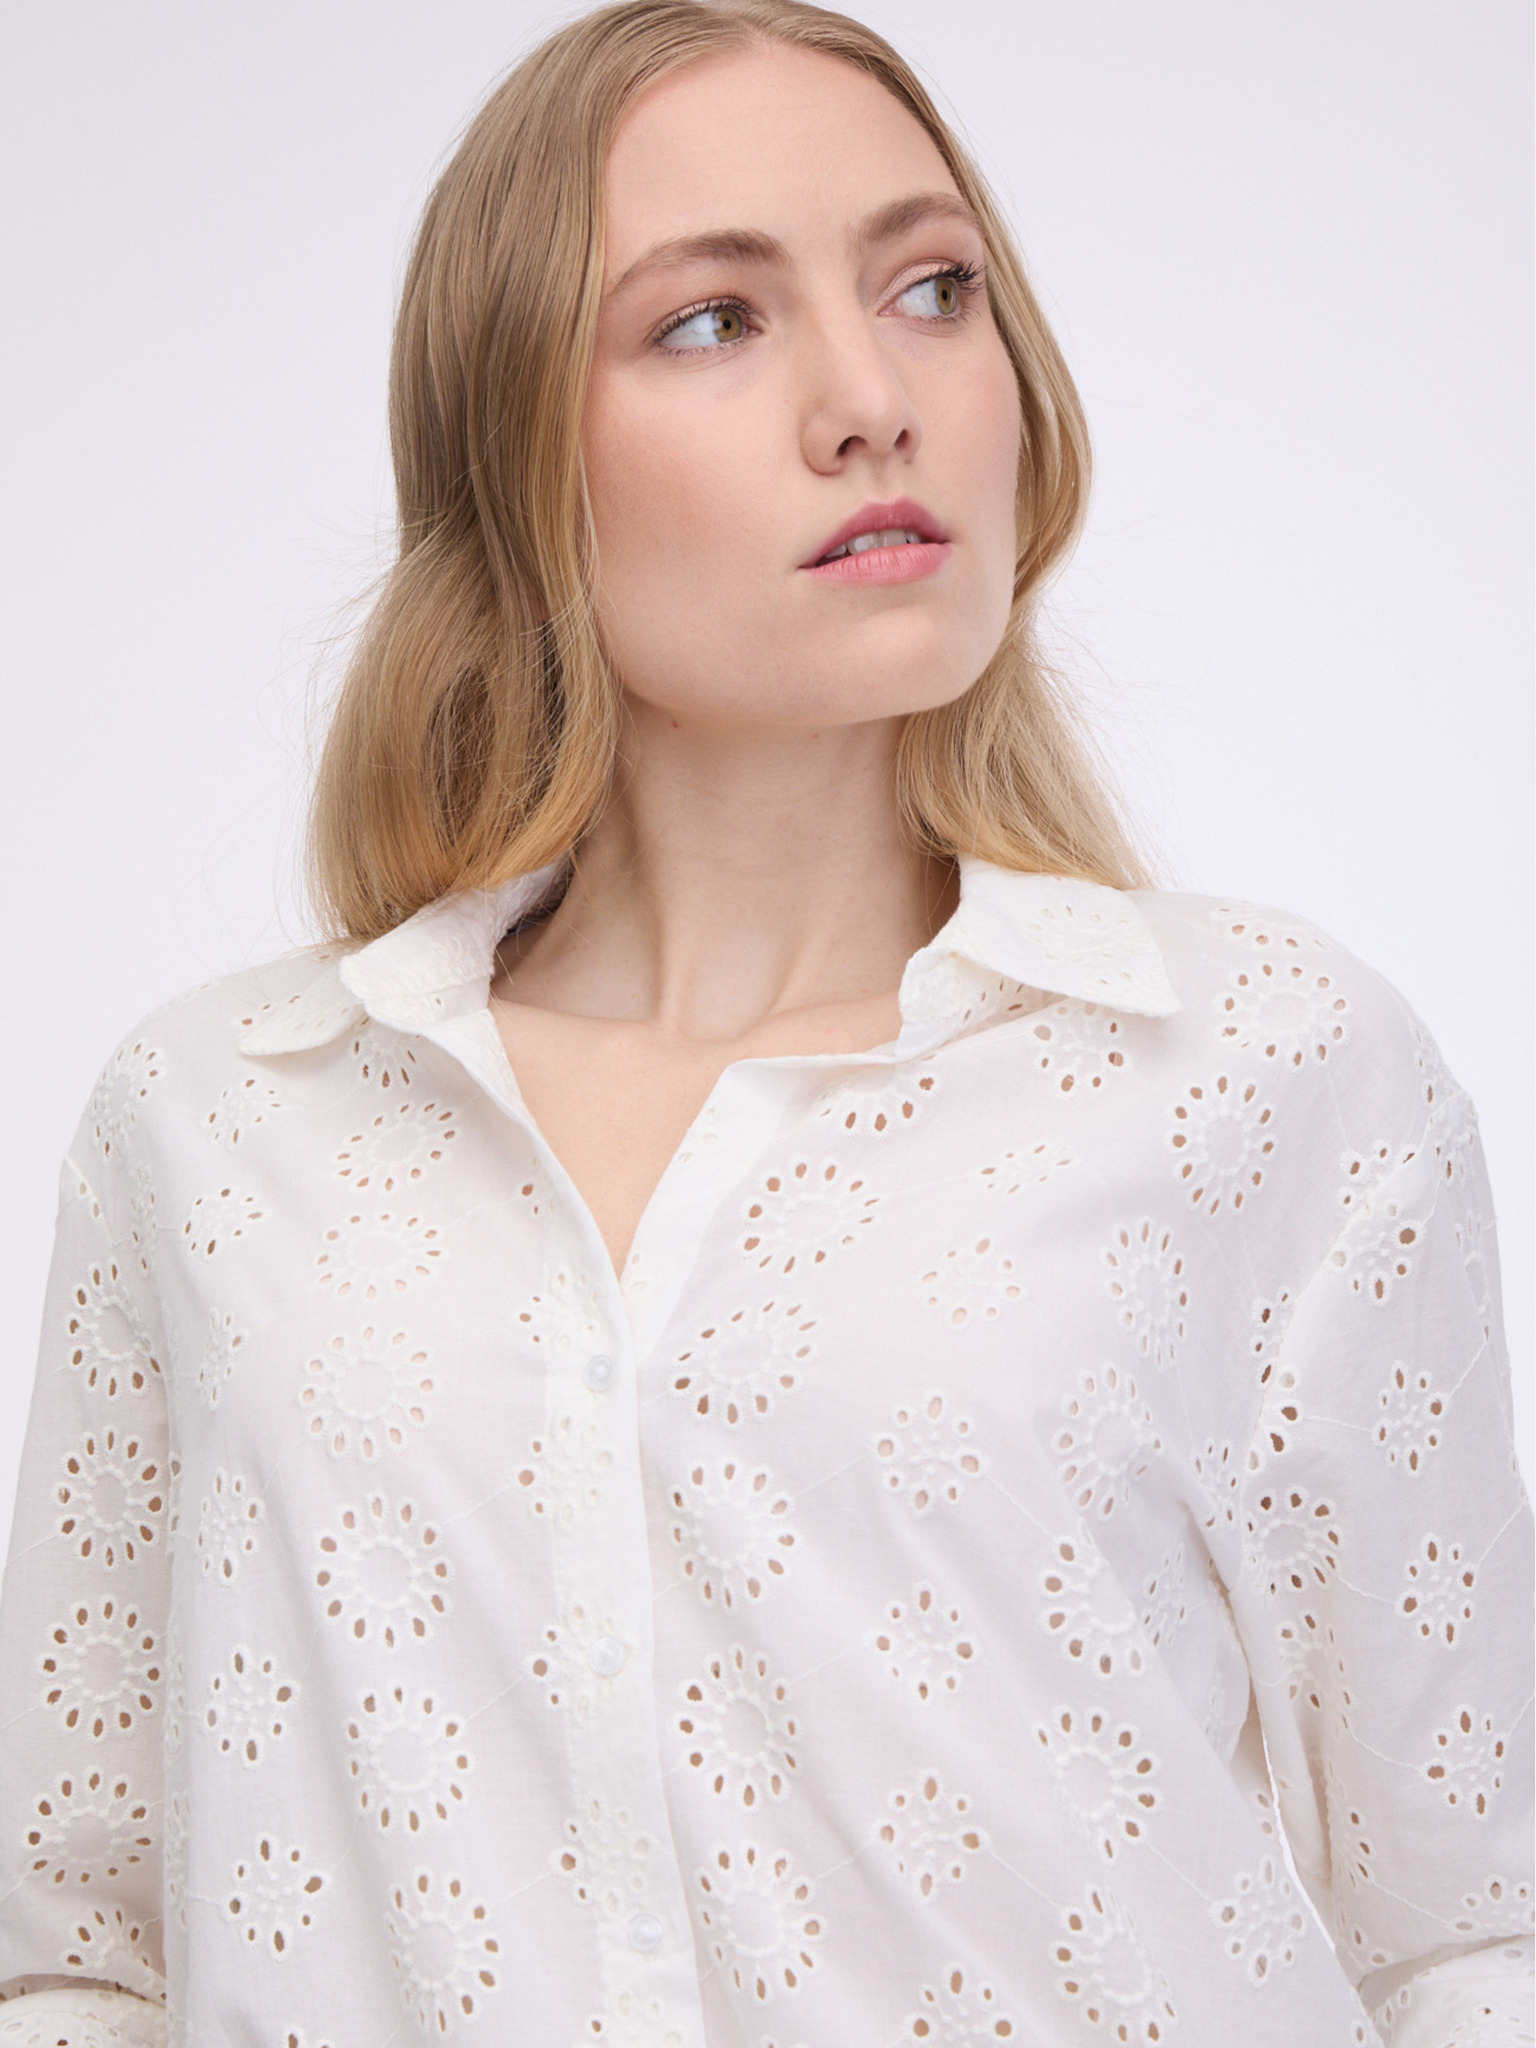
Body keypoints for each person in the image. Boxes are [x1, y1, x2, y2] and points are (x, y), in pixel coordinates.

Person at [0, 0, 1529, 2041]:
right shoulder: (220, 1125)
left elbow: (1469, 1928)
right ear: (513, 452)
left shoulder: (1261, 1067)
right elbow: (80, 1947)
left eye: (934, 288)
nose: (872, 400)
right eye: (711, 321)